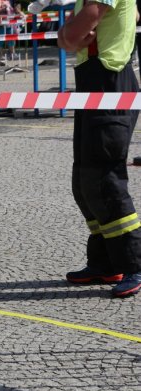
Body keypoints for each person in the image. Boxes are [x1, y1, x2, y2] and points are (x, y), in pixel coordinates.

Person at [57, 0, 141, 297]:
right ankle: (105, 263)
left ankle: (134, 263)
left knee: (105, 178)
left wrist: (70, 34)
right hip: (94, 82)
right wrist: (71, 34)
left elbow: (72, 34)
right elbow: (69, 35)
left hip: (110, 83)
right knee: (84, 180)